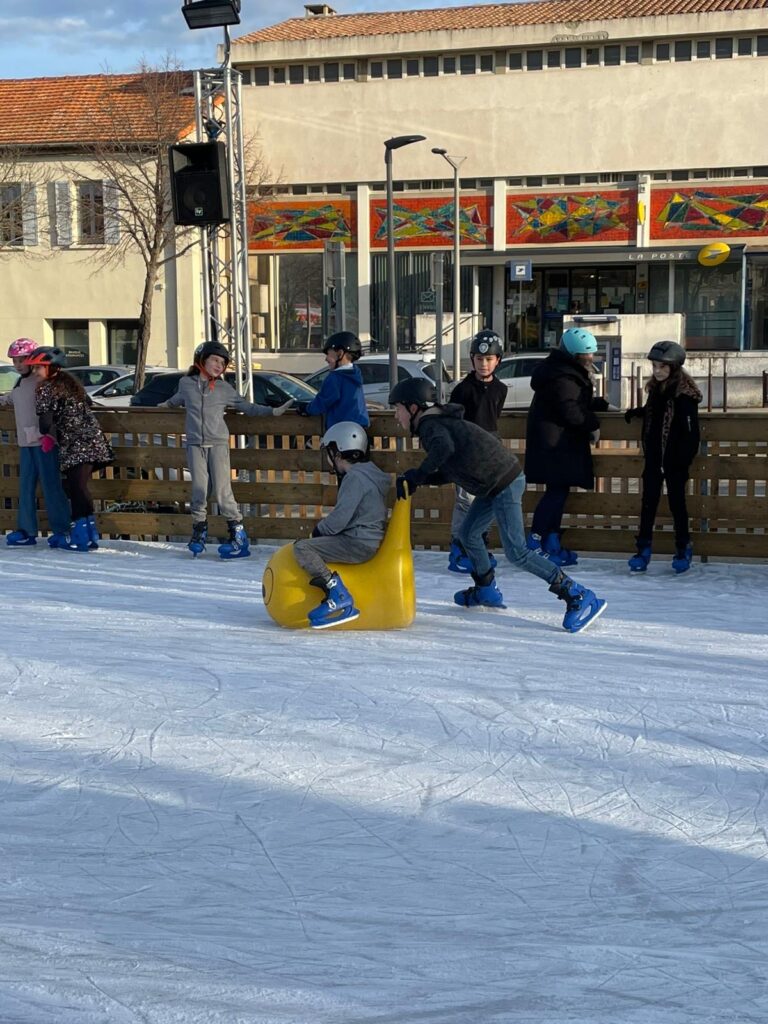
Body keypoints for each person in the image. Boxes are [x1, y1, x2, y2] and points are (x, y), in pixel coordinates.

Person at [390, 378, 607, 634]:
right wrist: (420, 479)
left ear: (414, 407)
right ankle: (486, 589)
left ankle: (576, 593)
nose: (396, 416)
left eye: (398, 409)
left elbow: (443, 450)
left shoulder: (431, 426)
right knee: (469, 534)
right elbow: (450, 469)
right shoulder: (441, 423)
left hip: (504, 483)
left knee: (517, 552)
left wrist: (418, 475)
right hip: (494, 484)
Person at [160, 340, 292, 558]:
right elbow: (176, 400)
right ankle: (199, 531)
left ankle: (238, 536)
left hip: (218, 444)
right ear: (202, 360)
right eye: (215, 360)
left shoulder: (223, 389)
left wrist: (272, 412)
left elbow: (247, 407)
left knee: (222, 492)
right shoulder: (186, 383)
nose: (219, 366)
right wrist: (164, 406)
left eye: (222, 363)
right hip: (195, 444)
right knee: (199, 490)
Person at [524, 327, 609, 567]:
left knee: (558, 491)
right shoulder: (564, 376)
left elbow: (570, 401)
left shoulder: (560, 371)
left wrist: (597, 404)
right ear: (574, 355)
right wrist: (592, 424)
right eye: (586, 355)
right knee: (556, 493)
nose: (590, 358)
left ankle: (551, 541)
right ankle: (535, 540)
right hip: (556, 444)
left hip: (554, 442)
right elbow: (570, 409)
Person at [293, 421, 389, 629]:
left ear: (337, 451)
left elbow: (339, 519)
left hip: (358, 542)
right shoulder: (372, 474)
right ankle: (336, 593)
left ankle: (337, 594)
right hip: (369, 539)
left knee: (302, 548)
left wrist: (318, 531)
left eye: (329, 452)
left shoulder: (355, 479)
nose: (328, 459)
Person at [25, 346, 114, 552]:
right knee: (79, 487)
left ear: (51, 367)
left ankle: (80, 536)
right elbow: (88, 403)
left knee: (76, 488)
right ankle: (89, 533)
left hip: (75, 444)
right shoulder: (71, 383)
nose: (35, 371)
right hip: (93, 439)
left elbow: (45, 423)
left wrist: (48, 435)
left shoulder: (45, 389)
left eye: (38, 367)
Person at [624, 340, 702, 574]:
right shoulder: (656, 391)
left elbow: (691, 433)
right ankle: (643, 549)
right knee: (648, 503)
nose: (657, 371)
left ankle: (683, 548)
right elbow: (654, 414)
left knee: (677, 504)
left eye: (663, 367)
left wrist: (681, 460)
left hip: (675, 460)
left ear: (674, 368)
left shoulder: (684, 396)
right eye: (655, 366)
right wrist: (637, 412)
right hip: (654, 457)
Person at [447, 328, 508, 574]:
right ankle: (459, 547)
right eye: (479, 359)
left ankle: (479, 545)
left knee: (486, 500)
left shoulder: (500, 389)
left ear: (498, 360)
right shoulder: (462, 390)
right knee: (465, 501)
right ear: (472, 359)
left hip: (489, 450)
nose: (484, 364)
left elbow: (493, 418)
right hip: (465, 449)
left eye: (489, 359)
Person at [1, 338, 72, 547]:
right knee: (25, 487)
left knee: (51, 486)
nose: (18, 365)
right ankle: (26, 530)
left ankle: (62, 529)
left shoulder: (41, 381)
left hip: (44, 443)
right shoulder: (19, 382)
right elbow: (12, 399)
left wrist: (52, 435)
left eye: (22, 360)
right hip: (25, 444)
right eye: (15, 361)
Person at [297, 331, 369, 429]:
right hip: (359, 428)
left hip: (340, 429)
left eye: (329, 354)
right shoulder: (355, 374)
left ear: (340, 353)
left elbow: (322, 402)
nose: (326, 359)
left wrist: (306, 409)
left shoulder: (335, 378)